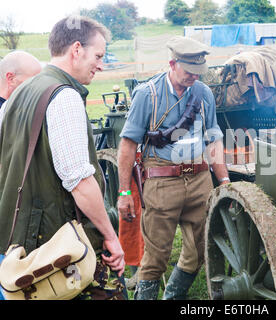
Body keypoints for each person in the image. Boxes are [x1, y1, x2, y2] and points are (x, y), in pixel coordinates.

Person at [0, 16, 126, 300]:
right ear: (77, 49)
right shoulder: (63, 96)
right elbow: (79, 182)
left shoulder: (17, 96)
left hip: (25, 247)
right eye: (98, 55)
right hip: (65, 249)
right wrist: (110, 236)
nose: (101, 64)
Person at [117, 36, 230, 300]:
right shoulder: (148, 94)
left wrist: (223, 182)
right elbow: (127, 146)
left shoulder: (203, 94)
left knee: (200, 251)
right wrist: (124, 194)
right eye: (189, 71)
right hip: (162, 180)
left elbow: (214, 139)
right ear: (172, 63)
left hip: (201, 179)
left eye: (198, 72)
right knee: (156, 258)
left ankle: (172, 297)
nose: (194, 77)